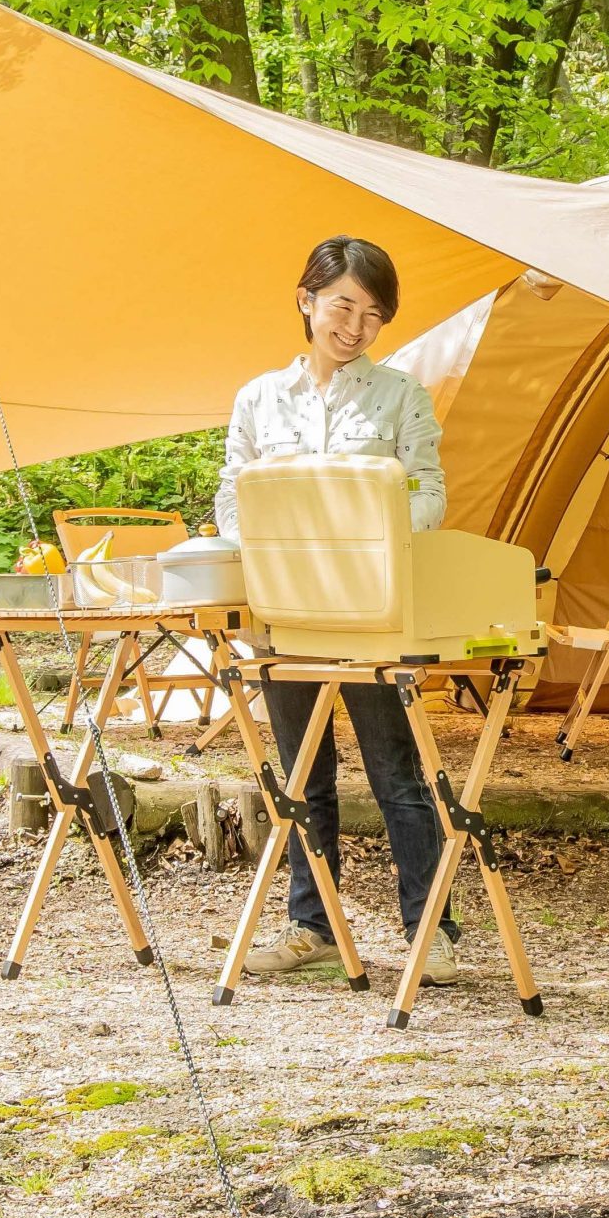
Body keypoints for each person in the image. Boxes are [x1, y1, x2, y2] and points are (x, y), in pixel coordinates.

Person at [215, 235, 459, 985]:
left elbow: (431, 494)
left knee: (398, 772)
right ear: (308, 299)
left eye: (373, 314)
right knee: (300, 775)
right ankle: (309, 925)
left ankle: (433, 930)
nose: (355, 326)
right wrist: (267, 536)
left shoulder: (400, 395)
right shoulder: (259, 398)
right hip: (285, 611)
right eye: (344, 305)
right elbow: (231, 497)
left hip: (373, 612)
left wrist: (366, 533)